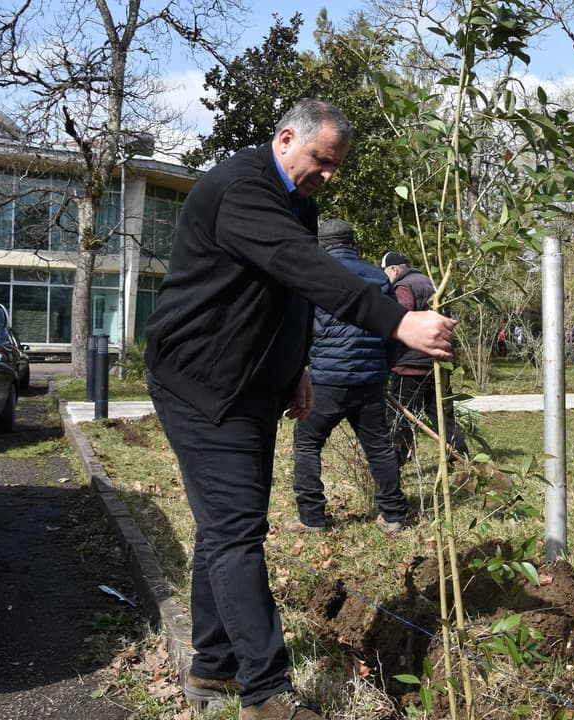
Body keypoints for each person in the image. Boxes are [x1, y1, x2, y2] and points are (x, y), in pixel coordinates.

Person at [144, 99, 456, 720]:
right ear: (287, 139)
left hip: (254, 384)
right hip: (201, 384)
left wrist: (299, 368)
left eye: (336, 165)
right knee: (237, 532)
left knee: (229, 524)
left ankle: (211, 666)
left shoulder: (297, 201)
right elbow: (308, 268)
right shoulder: (242, 188)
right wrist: (398, 321)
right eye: (322, 160)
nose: (329, 175)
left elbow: (286, 294)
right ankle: (266, 693)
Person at [289, 219, 409, 537]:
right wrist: (384, 368)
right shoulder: (378, 277)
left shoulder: (315, 274)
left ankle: (312, 518)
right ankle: (394, 516)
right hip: (370, 379)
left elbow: (300, 328)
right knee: (380, 447)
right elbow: (394, 327)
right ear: (352, 243)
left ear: (322, 245)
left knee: (308, 444)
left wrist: (299, 369)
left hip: (327, 379)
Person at [381, 250, 469, 463]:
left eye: (385, 273)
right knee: (442, 416)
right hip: (438, 362)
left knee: (400, 417)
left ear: (394, 269)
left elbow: (400, 323)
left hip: (410, 364)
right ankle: (462, 460)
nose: (386, 279)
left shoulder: (403, 288)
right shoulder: (432, 284)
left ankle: (394, 466)